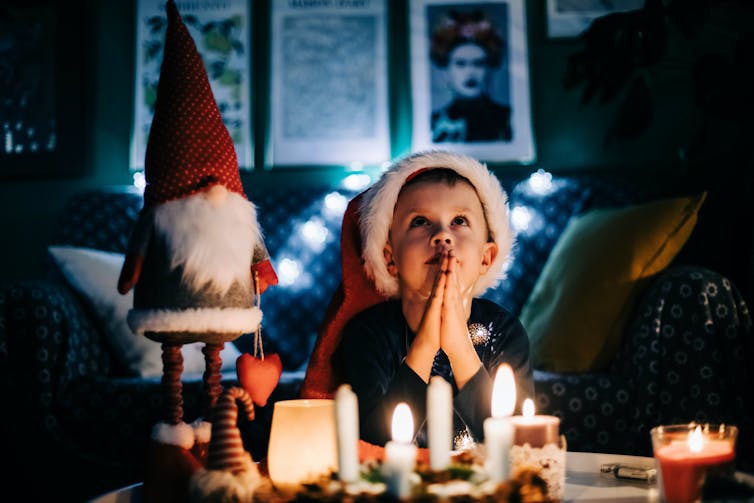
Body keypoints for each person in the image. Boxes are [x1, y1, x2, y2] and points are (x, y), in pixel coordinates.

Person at [311, 150, 533, 450]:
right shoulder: (368, 335)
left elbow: (517, 445)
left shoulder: (505, 332)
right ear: (390, 258)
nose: (442, 236)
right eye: (419, 222)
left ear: (486, 258)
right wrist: (426, 344)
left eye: (459, 220)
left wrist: (458, 347)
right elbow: (372, 442)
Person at [430, 9, 513, 143]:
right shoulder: (434, 123)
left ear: (489, 68)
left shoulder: (508, 119)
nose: (470, 72)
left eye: (478, 64)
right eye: (460, 64)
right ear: (447, 70)